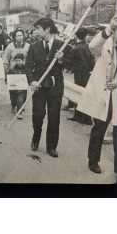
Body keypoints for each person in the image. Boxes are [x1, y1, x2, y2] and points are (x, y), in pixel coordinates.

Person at [77, 14, 117, 174]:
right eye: (116, 30)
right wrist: (109, 28)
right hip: (104, 93)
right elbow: (92, 47)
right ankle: (93, 160)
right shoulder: (106, 41)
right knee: (99, 128)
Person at [25, 17, 66, 157]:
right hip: (39, 86)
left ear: (47, 29)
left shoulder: (62, 45)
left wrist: (61, 59)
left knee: (54, 117)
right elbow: (28, 66)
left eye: (38, 29)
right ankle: (36, 138)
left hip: (55, 86)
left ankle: (52, 146)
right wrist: (32, 81)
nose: (36, 31)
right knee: (38, 115)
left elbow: (72, 65)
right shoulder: (34, 46)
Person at [67, 28, 94, 125]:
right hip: (87, 73)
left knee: (78, 94)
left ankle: (82, 117)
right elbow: (92, 61)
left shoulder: (75, 48)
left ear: (76, 36)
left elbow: (69, 62)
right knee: (85, 94)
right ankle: (82, 116)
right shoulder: (87, 47)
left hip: (79, 74)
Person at [3, 28, 30, 118]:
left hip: (23, 72)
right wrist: (6, 72)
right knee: (13, 92)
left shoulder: (28, 46)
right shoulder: (10, 46)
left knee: (22, 91)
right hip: (12, 72)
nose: (19, 37)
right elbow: (6, 59)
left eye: (21, 35)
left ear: (24, 36)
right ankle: (14, 105)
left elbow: (31, 59)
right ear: (14, 37)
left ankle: (20, 109)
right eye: (17, 35)